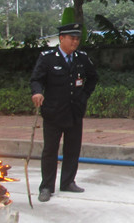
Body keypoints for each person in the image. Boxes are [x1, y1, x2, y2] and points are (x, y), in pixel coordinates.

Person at [30, 23, 99, 202]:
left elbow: (93, 77)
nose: (75, 42)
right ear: (61, 38)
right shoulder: (48, 58)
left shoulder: (81, 58)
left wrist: (84, 96)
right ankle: (46, 186)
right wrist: (37, 92)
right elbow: (36, 79)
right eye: (71, 38)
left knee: (72, 149)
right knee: (50, 150)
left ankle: (68, 181)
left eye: (77, 39)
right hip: (53, 112)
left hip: (74, 111)